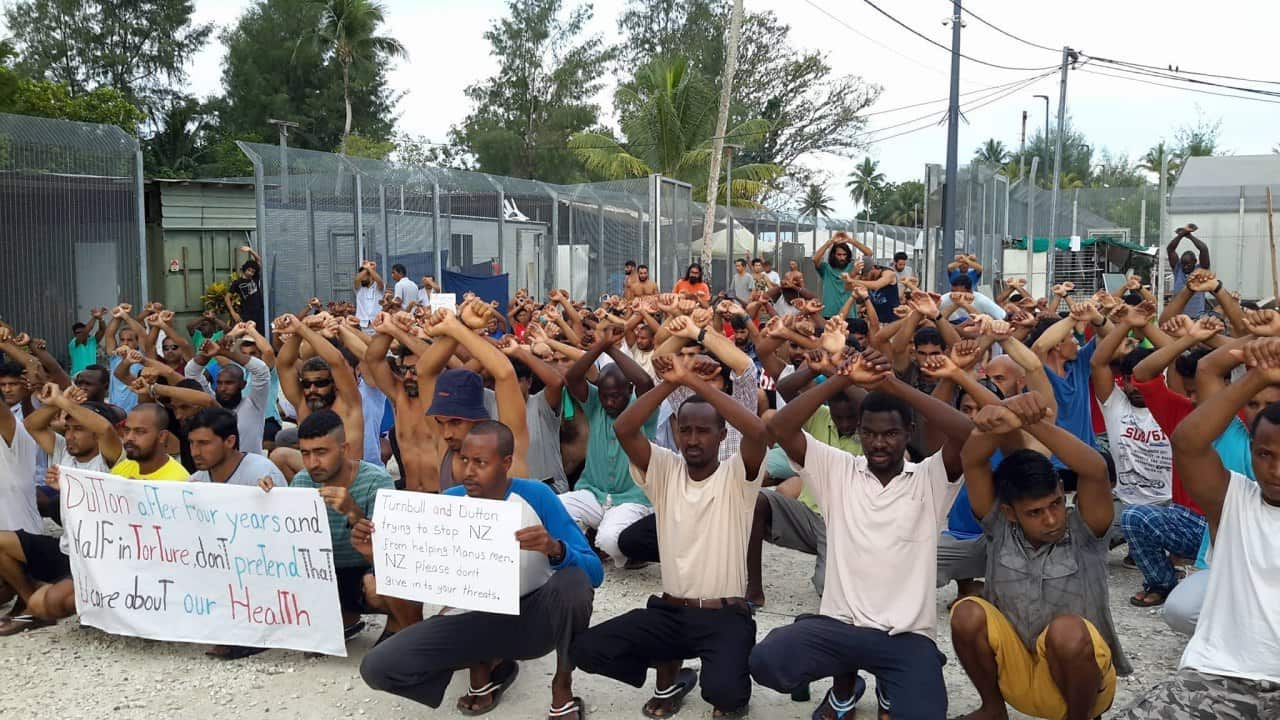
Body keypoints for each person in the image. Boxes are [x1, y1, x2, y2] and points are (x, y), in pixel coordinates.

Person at [752, 349, 974, 720]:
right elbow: (779, 429)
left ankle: (891, 687)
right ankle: (845, 690)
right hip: (841, 627)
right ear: (859, 433)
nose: (878, 443)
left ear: (909, 433)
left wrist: (891, 384)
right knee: (766, 662)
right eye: (869, 434)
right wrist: (841, 378)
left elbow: (965, 433)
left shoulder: (930, 478)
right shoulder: (838, 470)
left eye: (890, 434)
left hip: (906, 637)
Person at [360, 421, 602, 720]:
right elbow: (417, 578)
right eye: (464, 459)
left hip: (532, 620)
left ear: (506, 463)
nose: (469, 471)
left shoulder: (536, 496)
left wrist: (555, 548)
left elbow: (594, 573)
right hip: (473, 624)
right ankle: (484, 666)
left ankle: (562, 686)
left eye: (481, 463)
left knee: (574, 582)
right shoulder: (450, 501)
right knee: (377, 668)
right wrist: (379, 555)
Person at [572, 353, 769, 718]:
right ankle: (673, 674)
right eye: (686, 430)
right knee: (586, 649)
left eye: (704, 430)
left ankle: (725, 676)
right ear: (676, 431)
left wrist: (694, 383)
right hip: (671, 613)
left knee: (725, 696)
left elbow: (758, 432)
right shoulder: (666, 469)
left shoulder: (737, 476)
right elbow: (625, 429)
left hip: (723, 615)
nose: (693, 439)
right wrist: (671, 383)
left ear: (722, 434)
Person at [1118, 337, 1280, 719]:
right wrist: (1256, 378)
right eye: (1264, 455)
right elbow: (1188, 444)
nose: (1275, 471)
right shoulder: (1235, 499)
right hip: (1222, 678)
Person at [952, 392, 1130, 720]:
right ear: (1009, 512)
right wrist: (997, 421)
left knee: (1067, 632)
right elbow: (972, 461)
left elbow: (1094, 471)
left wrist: (1032, 423)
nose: (1050, 519)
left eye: (1055, 504)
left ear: (1063, 495)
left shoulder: (1085, 532)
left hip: (1082, 688)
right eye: (1034, 512)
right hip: (1020, 677)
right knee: (966, 612)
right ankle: (993, 709)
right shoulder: (999, 527)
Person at [0, 387, 121, 635]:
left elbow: (107, 429)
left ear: (94, 434)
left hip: (98, 558)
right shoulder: (63, 451)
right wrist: (59, 403)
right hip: (67, 550)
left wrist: (64, 404)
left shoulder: (111, 457)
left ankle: (39, 608)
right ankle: (29, 603)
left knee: (49, 603)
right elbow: (33, 424)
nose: (70, 435)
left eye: (78, 429)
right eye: (67, 429)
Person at [277, 409, 393, 637]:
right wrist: (266, 500)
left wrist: (354, 511)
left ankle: (395, 627)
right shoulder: (302, 482)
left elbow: (390, 550)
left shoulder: (376, 481)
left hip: (360, 572)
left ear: (344, 449)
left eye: (321, 452)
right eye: (305, 454)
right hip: (319, 575)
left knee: (375, 588)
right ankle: (342, 621)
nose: (312, 463)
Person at [558, 325, 656, 566]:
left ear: (629, 390)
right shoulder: (595, 404)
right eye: (605, 395)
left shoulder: (642, 408)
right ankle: (585, 547)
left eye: (616, 395)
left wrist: (612, 350)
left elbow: (644, 380)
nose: (610, 401)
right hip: (593, 492)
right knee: (555, 509)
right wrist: (599, 346)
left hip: (631, 497)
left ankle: (629, 553)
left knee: (611, 540)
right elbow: (572, 378)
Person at [1089, 304, 1173, 554]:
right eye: (1131, 380)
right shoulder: (1115, 404)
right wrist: (1126, 323)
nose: (1137, 387)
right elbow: (1098, 364)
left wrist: (1145, 325)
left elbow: (1175, 354)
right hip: (1124, 504)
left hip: (1170, 504)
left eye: (1145, 380)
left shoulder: (1172, 404)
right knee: (1088, 540)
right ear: (1122, 381)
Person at [424, 304, 530, 488]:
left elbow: (505, 374)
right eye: (440, 423)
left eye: (456, 422)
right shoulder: (445, 446)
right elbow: (424, 372)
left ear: (478, 418)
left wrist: (456, 328)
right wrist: (462, 323)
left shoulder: (507, 448)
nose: (446, 433)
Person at [274, 312, 365, 478]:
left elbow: (336, 361)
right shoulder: (304, 404)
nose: (312, 390)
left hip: (349, 479)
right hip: (317, 479)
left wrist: (302, 328)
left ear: (333, 384)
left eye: (320, 383)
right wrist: (297, 332)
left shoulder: (348, 404)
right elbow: (283, 364)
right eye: (307, 384)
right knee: (278, 456)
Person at [362, 312, 442, 492]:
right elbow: (373, 359)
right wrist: (387, 329)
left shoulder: (441, 399)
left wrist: (398, 332)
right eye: (404, 369)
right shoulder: (399, 397)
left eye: (415, 370)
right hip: (410, 497)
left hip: (442, 496)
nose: (408, 376)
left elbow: (436, 359)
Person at [499, 338, 570, 493]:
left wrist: (519, 352)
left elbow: (557, 382)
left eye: (517, 381)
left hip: (551, 491)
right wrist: (495, 348)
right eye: (504, 382)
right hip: (508, 495)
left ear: (529, 382)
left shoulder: (541, 403)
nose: (510, 387)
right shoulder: (492, 400)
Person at [185, 337, 272, 455]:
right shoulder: (210, 403)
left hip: (251, 469)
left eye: (229, 383)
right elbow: (191, 373)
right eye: (219, 383)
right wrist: (207, 354)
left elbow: (261, 370)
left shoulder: (254, 404)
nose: (223, 389)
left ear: (243, 385)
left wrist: (225, 352)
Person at [185, 407, 285, 487]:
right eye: (191, 442)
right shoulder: (194, 482)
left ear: (229, 441)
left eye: (204, 443)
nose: (195, 453)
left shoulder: (262, 474)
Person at [110, 403, 190, 481]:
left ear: (162, 436)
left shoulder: (178, 482)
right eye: (127, 430)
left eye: (140, 431)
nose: (129, 437)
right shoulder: (121, 469)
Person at [813, 232, 863, 318]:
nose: (842, 258)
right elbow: (815, 259)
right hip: (829, 314)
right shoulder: (826, 269)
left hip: (849, 315)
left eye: (844, 255)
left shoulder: (852, 266)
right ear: (833, 255)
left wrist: (851, 241)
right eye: (839, 255)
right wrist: (830, 242)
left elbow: (869, 253)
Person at [1165, 224, 1210, 318]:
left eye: (1188, 264)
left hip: (1196, 318)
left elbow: (1204, 249)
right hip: (1177, 318)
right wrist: (1181, 234)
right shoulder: (1178, 270)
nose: (1185, 267)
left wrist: (1189, 236)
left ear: (1195, 262)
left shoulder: (1201, 271)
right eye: (1183, 264)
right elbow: (1170, 249)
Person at [225, 247, 265, 329]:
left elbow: (258, 260)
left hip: (259, 312)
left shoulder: (255, 278)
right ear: (244, 269)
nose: (250, 273)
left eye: (253, 272)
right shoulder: (237, 282)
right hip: (247, 313)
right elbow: (227, 298)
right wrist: (233, 313)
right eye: (249, 270)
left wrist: (250, 251)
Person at [68, 309, 106, 375]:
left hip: (92, 374)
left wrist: (100, 319)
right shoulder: (73, 343)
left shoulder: (92, 341)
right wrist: (94, 317)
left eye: (81, 332)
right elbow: (86, 331)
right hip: (78, 376)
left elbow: (102, 330)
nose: (80, 334)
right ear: (74, 334)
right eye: (77, 333)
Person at [354, 261, 385, 328]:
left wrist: (369, 268)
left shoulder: (378, 287)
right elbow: (356, 280)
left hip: (377, 324)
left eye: (364, 275)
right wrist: (367, 268)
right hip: (361, 324)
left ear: (371, 275)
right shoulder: (359, 288)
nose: (362, 278)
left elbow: (379, 281)